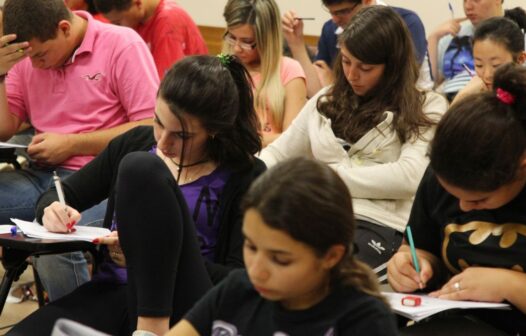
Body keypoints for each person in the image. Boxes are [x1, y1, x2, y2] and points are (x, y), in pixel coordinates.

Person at [8, 54, 265, 336]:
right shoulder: (135, 142)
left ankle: (149, 328)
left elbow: (241, 280)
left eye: (181, 136)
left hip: (190, 303)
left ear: (214, 131)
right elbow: (60, 193)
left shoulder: (245, 174)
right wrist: (53, 210)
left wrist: (148, 255)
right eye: (158, 123)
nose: (162, 142)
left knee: (140, 166)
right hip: (113, 289)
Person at [260, 6, 448, 282]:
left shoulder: (427, 105)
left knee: (321, 281)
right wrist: (246, 174)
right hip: (316, 216)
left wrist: (326, 178)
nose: (352, 74)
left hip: (381, 226)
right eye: (346, 61)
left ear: (392, 65)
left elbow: (410, 177)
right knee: (258, 267)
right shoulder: (326, 98)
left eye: (366, 67)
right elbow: (276, 154)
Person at [0, 0, 158, 301]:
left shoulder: (121, 45)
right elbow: (4, 127)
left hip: (101, 183)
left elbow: (149, 127)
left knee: (55, 238)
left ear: (64, 28)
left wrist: (73, 143)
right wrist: (0, 73)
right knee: (48, 224)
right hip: (41, 176)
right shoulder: (28, 54)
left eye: (41, 55)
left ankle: (75, 323)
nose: (33, 65)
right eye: (26, 56)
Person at [167, 157, 398, 336]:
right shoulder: (237, 290)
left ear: (331, 256)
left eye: (280, 259)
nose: (257, 271)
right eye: (250, 246)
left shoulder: (363, 321)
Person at [387, 63, 526, 335]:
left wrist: (509, 285)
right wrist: (411, 263)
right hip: (448, 320)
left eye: (478, 201)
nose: (462, 207)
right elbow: (421, 246)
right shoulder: (444, 172)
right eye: (452, 194)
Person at [282, 0, 428, 97]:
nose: (335, 20)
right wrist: (296, 44)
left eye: (343, 11)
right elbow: (317, 93)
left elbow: (400, 84)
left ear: (367, 1)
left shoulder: (407, 23)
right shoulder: (331, 29)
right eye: (346, 62)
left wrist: (334, 83)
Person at [223, 0, 307, 147]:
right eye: (232, 37)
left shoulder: (289, 70)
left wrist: (241, 140)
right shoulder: (224, 66)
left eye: (246, 41)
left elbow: (292, 140)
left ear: (267, 39)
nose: (236, 48)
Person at [427, 0, 517, 101]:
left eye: (476, 0)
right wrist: (433, 38)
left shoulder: (516, 36)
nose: (468, 6)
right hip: (451, 106)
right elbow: (429, 84)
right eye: (465, 0)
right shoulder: (452, 36)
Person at [94, 0, 208, 79]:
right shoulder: (137, 20)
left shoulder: (168, 20)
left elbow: (165, 82)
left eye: (118, 22)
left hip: (189, 97)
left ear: (138, 3)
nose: (117, 27)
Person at [452, 12, 526, 105]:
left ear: (520, 59)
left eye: (496, 65)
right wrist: (462, 96)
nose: (487, 75)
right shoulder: (475, 98)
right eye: (479, 65)